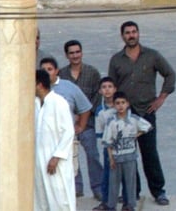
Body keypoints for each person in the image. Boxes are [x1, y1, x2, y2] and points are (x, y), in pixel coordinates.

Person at [107, 21, 175, 206]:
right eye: (127, 33)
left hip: (146, 112)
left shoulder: (152, 56)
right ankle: (132, 191)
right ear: (122, 36)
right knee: (127, 154)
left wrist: (161, 98)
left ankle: (159, 191)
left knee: (150, 153)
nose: (131, 35)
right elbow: (111, 86)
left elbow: (170, 74)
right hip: (125, 114)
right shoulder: (116, 60)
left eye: (134, 32)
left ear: (139, 34)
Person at [40, 57, 92, 199]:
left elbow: (85, 107)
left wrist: (80, 125)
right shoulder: (37, 90)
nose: (46, 73)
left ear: (57, 71)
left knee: (68, 175)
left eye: (49, 69)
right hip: (44, 142)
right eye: (43, 70)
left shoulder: (68, 87)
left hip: (66, 139)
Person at [61, 41, 103, 201]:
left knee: (92, 154)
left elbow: (97, 97)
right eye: (71, 53)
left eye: (77, 52)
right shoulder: (62, 75)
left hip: (88, 123)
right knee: (72, 156)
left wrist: (83, 116)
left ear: (82, 53)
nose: (75, 55)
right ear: (66, 55)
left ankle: (98, 188)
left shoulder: (92, 73)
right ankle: (76, 188)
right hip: (68, 124)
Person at [99, 91, 151, 211]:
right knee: (114, 183)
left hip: (130, 157)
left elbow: (147, 126)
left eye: (123, 103)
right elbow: (108, 142)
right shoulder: (111, 122)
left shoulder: (133, 119)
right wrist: (110, 158)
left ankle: (130, 205)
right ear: (114, 105)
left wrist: (137, 134)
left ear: (127, 104)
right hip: (116, 157)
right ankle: (111, 206)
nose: (120, 106)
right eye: (117, 103)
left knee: (130, 182)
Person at [34, 68, 76, 211]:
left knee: (60, 199)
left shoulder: (59, 102)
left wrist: (56, 156)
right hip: (38, 160)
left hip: (56, 162)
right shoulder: (34, 104)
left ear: (39, 84)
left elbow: (68, 131)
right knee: (40, 199)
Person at [92, 77, 118, 209]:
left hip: (125, 147)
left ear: (115, 89)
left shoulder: (122, 106)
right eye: (104, 87)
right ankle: (106, 201)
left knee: (127, 174)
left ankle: (128, 201)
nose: (107, 90)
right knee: (107, 173)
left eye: (110, 86)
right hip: (108, 148)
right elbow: (99, 133)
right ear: (100, 91)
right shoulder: (99, 111)